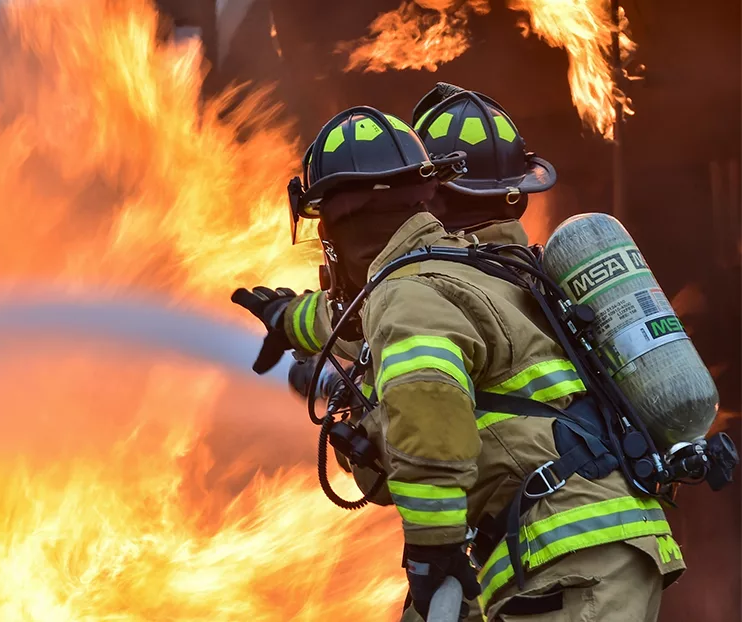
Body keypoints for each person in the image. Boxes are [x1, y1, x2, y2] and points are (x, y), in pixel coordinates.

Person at [233, 92, 685, 621]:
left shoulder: (410, 294)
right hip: (583, 545)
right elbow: (354, 317)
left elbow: (427, 413)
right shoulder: (475, 271)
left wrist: (433, 551)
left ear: (338, 228)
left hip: (568, 554)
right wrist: (291, 321)